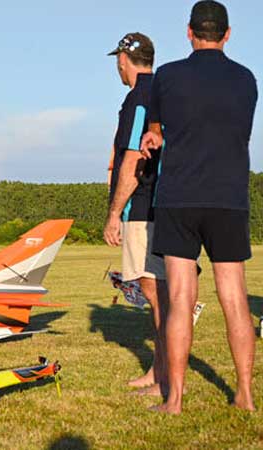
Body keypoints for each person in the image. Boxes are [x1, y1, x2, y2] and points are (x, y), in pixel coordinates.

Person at [140, 0, 257, 414]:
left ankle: (174, 400)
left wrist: (155, 137)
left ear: (189, 32)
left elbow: (156, 130)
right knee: (234, 297)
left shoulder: (167, 76)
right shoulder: (246, 79)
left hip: (180, 197)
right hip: (229, 198)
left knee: (181, 299)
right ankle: (245, 395)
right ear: (227, 34)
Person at [103, 33, 169, 395]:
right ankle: (158, 370)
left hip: (143, 208)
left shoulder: (138, 98)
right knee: (160, 292)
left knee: (155, 292)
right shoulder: (163, 91)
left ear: (123, 61)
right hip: (167, 204)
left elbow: (132, 159)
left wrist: (114, 214)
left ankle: (165, 376)